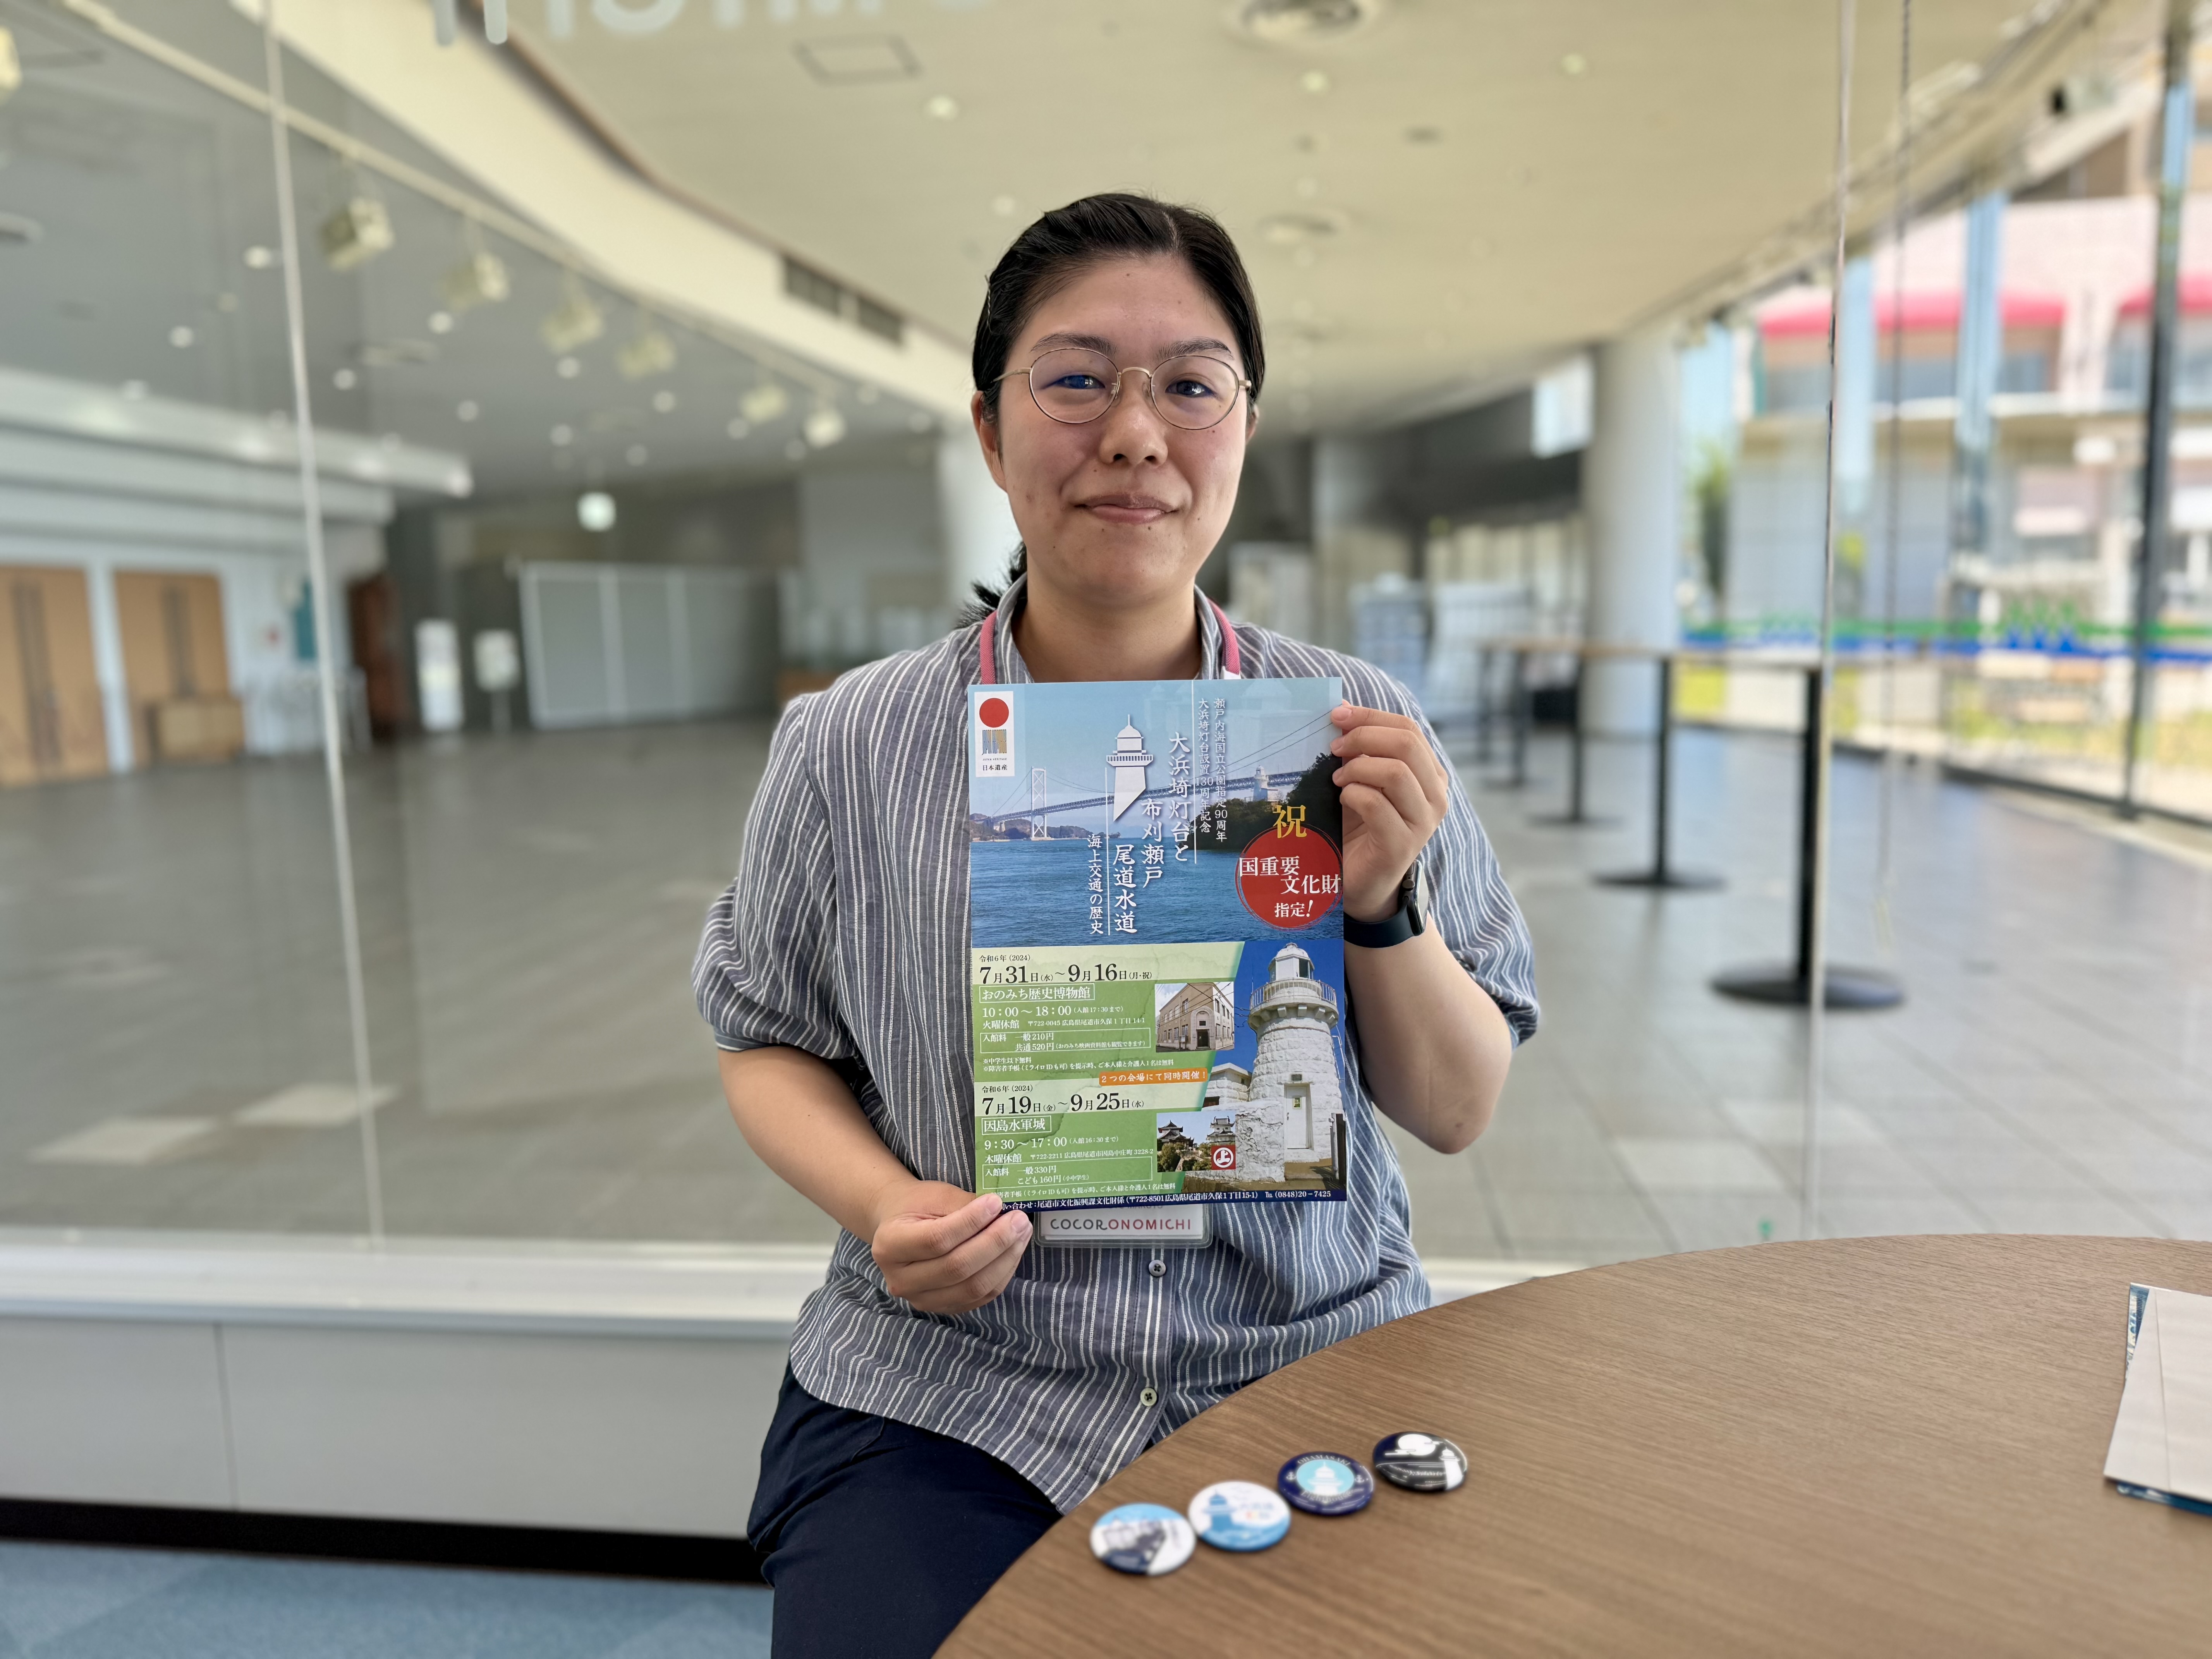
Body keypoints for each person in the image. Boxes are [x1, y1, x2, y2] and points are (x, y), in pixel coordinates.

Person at [694, 192, 1537, 1657]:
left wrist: (1381, 905)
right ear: (989, 428)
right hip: (952, 1384)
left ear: (1244, 428)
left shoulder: (1354, 729)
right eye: (1077, 379)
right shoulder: (849, 741)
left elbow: (1459, 1108)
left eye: (1191, 386)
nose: (1137, 434)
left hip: (1305, 1353)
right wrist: (885, 1205)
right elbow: (765, 1038)